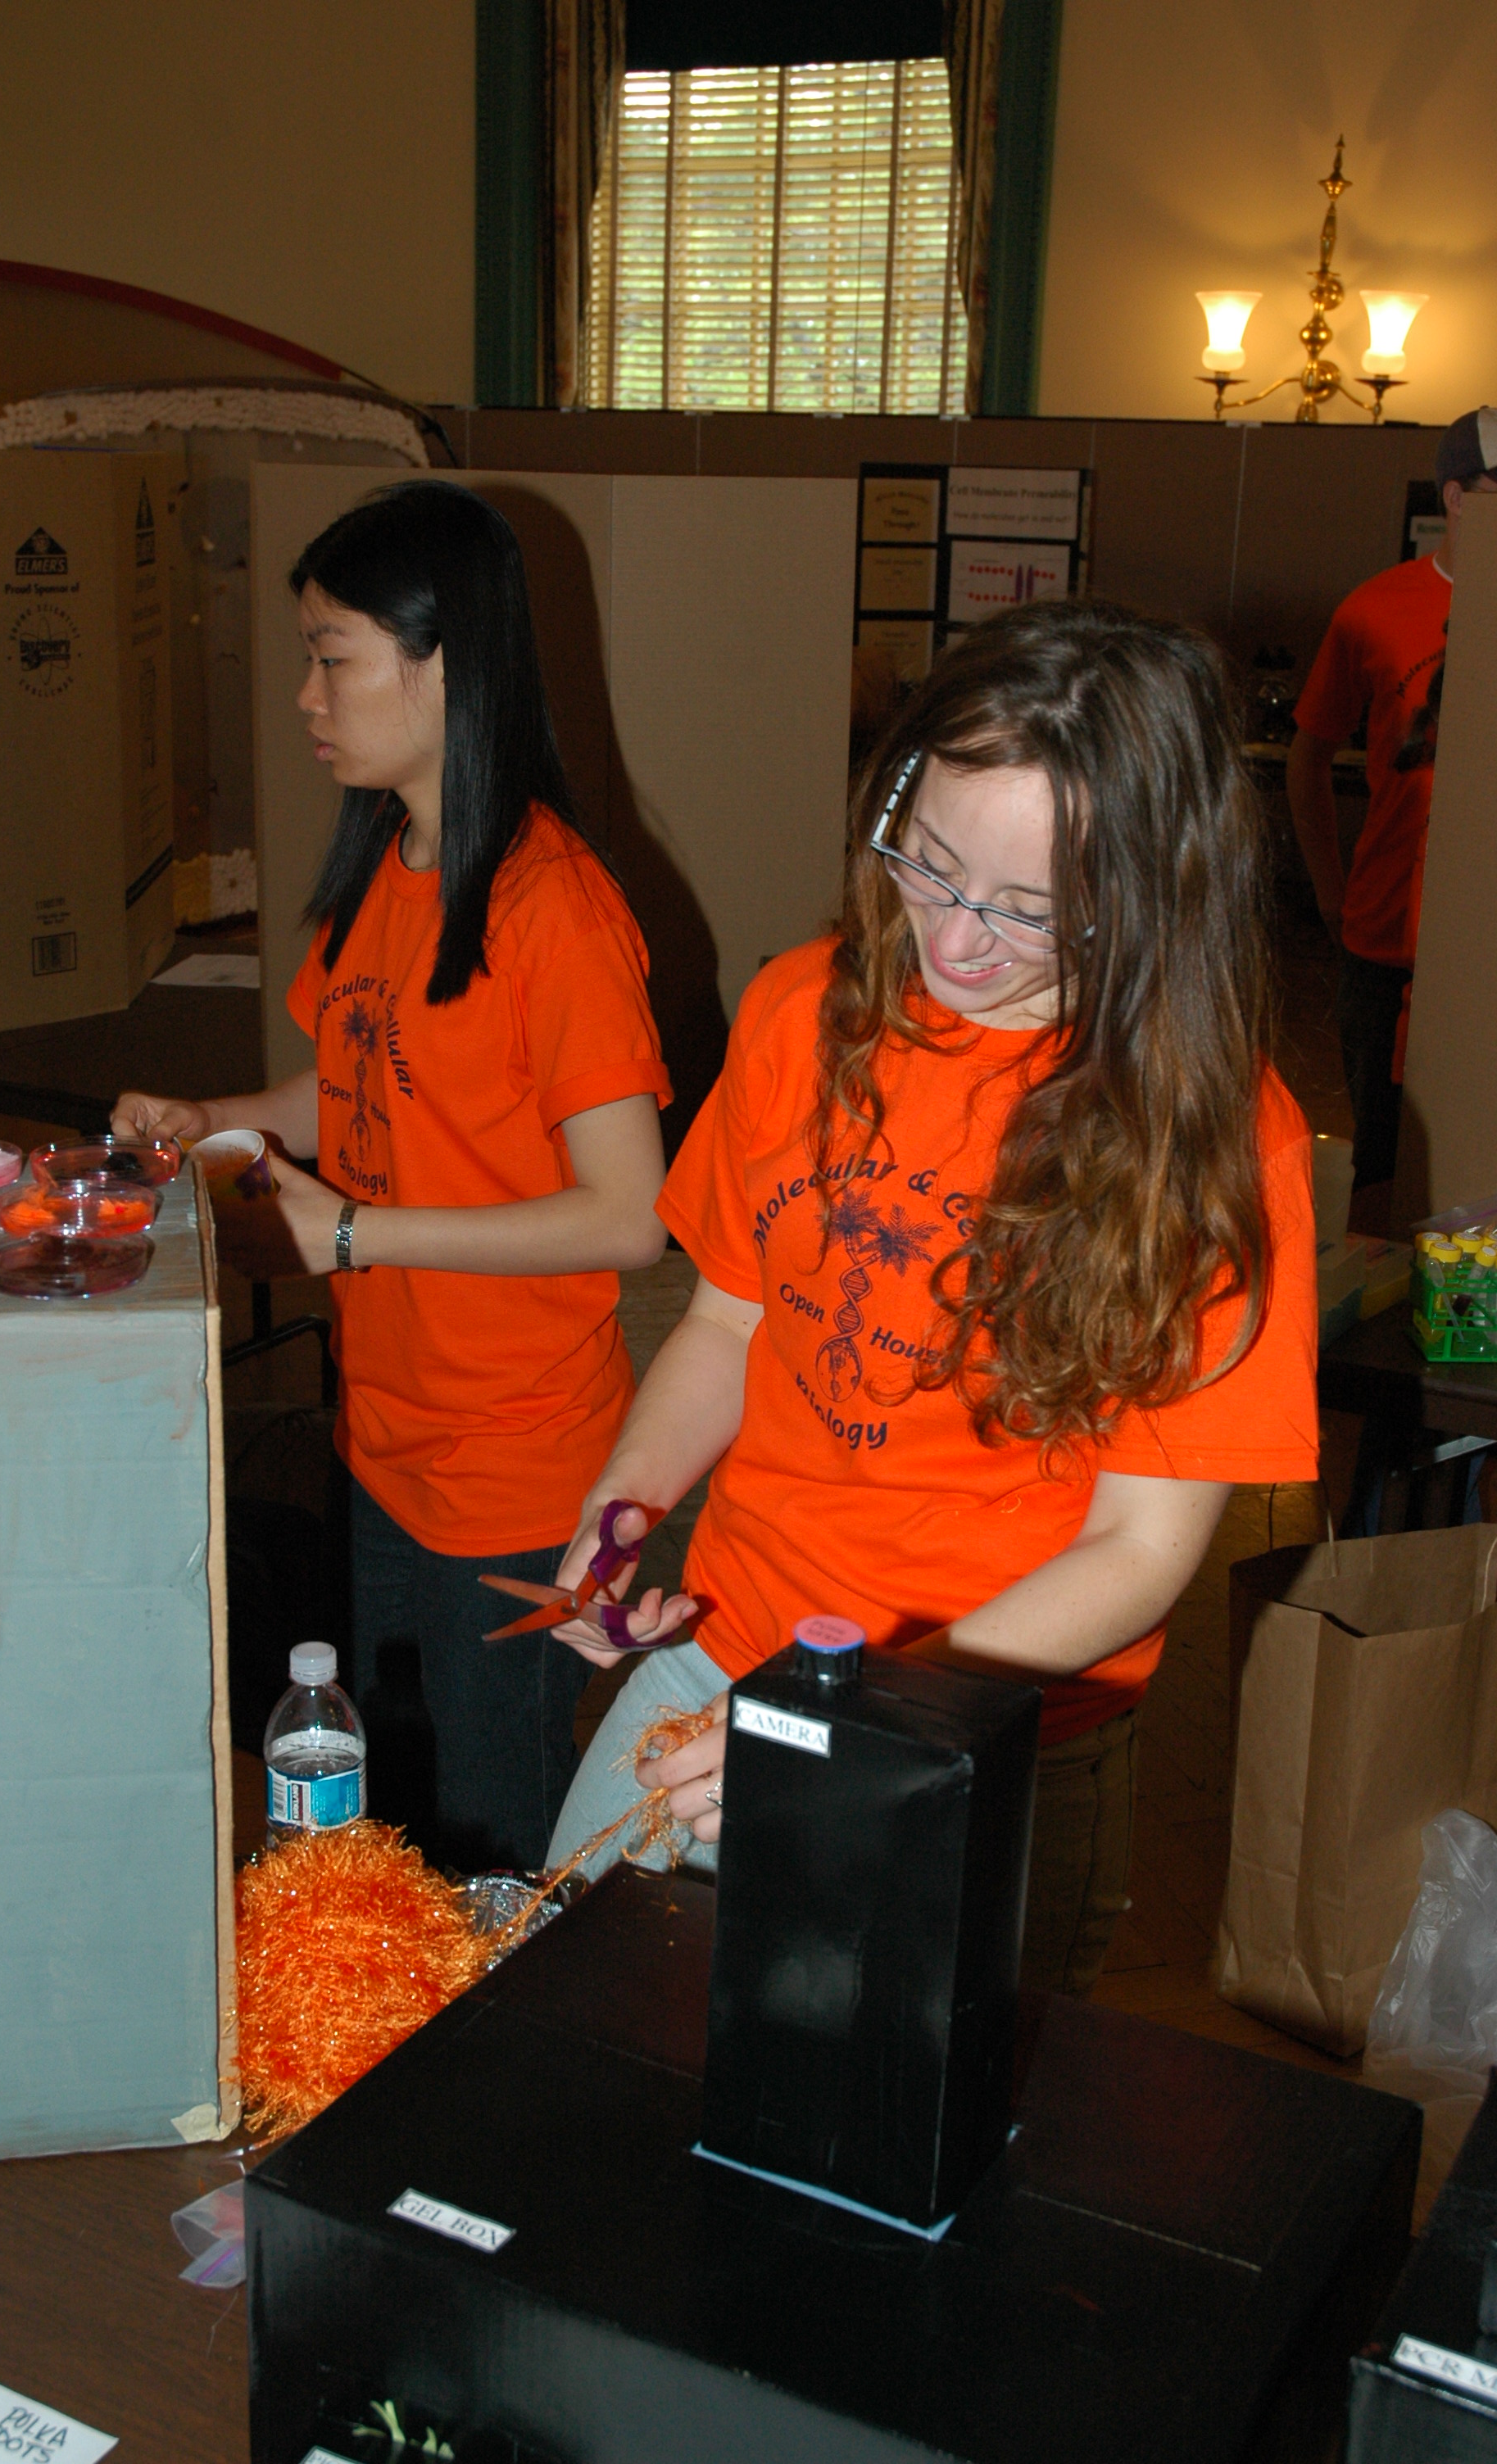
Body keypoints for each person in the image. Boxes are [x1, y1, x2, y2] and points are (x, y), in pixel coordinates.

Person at [544, 598, 1319, 1997]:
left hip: (987, 1720)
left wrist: (860, 1720)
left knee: (871, 2112)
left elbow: (1141, 1546)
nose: (956, 942)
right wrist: (623, 1511)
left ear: (1152, 893)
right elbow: (728, 1320)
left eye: (1029, 910)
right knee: (567, 2011)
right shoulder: (805, 1008)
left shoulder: (1216, 1141)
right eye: (929, 862)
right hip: (732, 1647)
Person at [114, 482, 670, 1873]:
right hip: (386, 1435)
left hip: (517, 1468)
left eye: (334, 656)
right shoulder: (386, 856)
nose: (308, 695)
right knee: (394, 1807)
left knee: (496, 1839)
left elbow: (630, 1213)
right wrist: (216, 1117)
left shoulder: (554, 908)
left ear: (448, 664)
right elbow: (355, 1078)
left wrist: (355, 1232)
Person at [1287, 405, 1497, 1191]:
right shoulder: (1374, 610)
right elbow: (1309, 753)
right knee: (1381, 1156)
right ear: (1457, 496)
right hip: (1386, 935)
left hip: (1484, 938)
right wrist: (1329, 888)